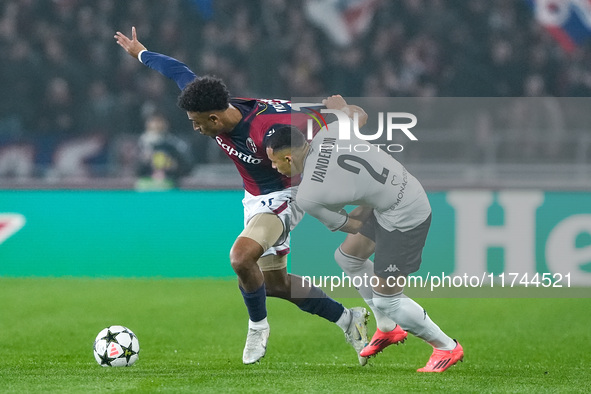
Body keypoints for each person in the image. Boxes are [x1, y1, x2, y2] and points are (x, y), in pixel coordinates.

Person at [114, 28, 370, 365]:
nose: (195, 128)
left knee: (240, 257)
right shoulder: (211, 104)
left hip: (288, 193)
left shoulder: (270, 127)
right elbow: (178, 72)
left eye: (196, 123)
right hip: (255, 197)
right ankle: (347, 319)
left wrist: (351, 119)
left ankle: (258, 327)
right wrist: (142, 53)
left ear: (214, 118)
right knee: (274, 284)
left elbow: (346, 118)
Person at [264, 95, 464, 372]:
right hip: (401, 192)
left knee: (387, 299)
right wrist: (342, 110)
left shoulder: (309, 195)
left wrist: (367, 201)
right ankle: (387, 328)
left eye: (275, 162)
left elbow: (353, 225)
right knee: (348, 258)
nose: (275, 168)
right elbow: (360, 115)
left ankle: (446, 347)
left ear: (288, 157)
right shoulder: (329, 132)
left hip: (404, 215)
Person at [135, 113, 193, 191]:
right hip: (146, 185)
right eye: (153, 121)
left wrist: (174, 166)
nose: (157, 125)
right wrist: (144, 161)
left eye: (159, 121)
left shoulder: (173, 144)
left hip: (168, 184)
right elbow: (134, 170)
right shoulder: (140, 144)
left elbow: (186, 167)